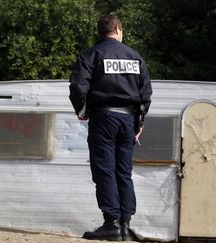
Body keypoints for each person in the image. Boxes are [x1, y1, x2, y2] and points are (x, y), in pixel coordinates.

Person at [69, 14, 152, 241]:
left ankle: (111, 223)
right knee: (123, 171)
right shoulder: (136, 57)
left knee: (104, 169)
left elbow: (77, 86)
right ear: (117, 28)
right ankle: (125, 226)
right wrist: (139, 122)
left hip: (103, 117)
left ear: (101, 31)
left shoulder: (91, 54)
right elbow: (146, 94)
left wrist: (82, 110)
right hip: (128, 121)